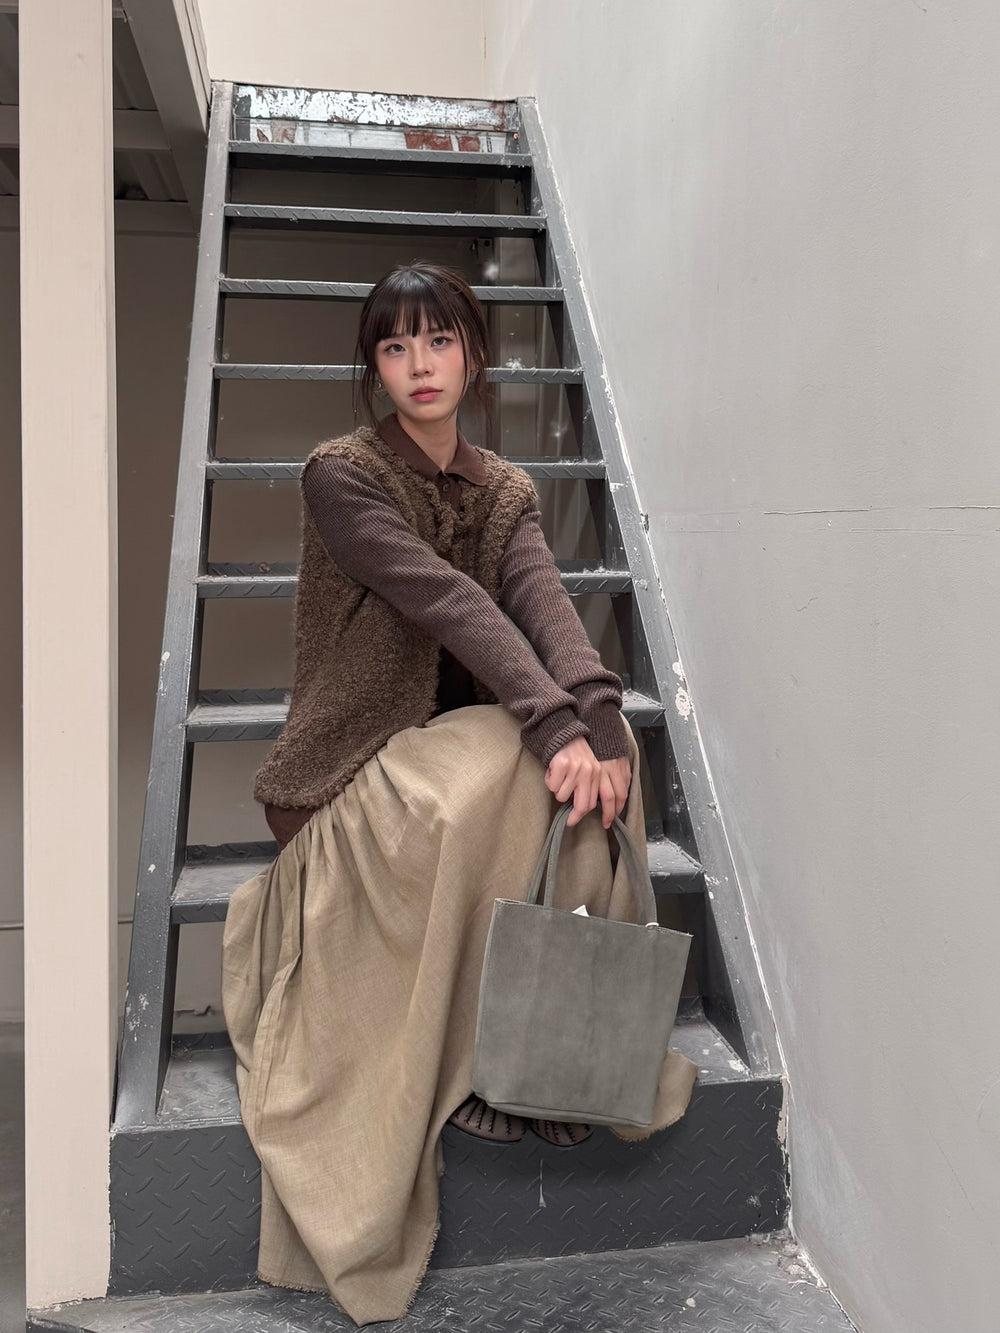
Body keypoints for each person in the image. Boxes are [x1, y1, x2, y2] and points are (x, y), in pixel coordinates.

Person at [222, 262, 697, 1326]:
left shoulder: (504, 490)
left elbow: (539, 599)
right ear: (375, 367)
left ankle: (544, 1052)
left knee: (580, 767)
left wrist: (597, 719)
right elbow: (450, 603)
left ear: (474, 355)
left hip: (462, 746)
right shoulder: (341, 475)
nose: (419, 365)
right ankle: (479, 1057)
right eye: (395, 347)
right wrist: (551, 724)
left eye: (439, 341)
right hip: (349, 767)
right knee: (499, 769)